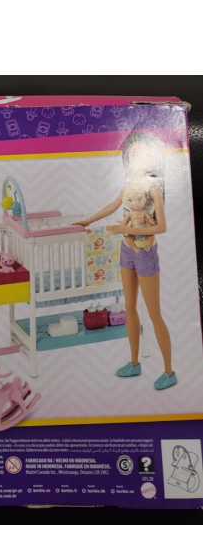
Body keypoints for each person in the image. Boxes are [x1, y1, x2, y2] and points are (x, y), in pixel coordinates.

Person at [74, 132, 176, 390]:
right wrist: (88, 220)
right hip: (127, 250)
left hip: (145, 252)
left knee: (154, 313)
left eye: (144, 154)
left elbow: (161, 227)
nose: (138, 158)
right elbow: (113, 205)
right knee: (129, 307)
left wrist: (125, 230)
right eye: (134, 154)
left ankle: (169, 371)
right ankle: (134, 363)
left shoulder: (154, 188)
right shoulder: (129, 182)